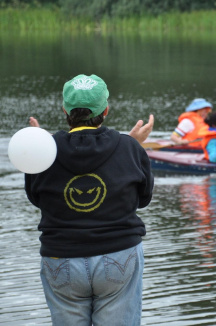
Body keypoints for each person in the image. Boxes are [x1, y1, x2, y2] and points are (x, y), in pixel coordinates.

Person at [24, 74, 154, 326]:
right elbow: (143, 199)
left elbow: (36, 198)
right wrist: (131, 145)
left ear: (65, 109)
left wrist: (38, 146)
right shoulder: (129, 147)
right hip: (119, 255)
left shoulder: (45, 150)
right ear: (105, 110)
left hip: (60, 257)